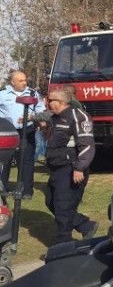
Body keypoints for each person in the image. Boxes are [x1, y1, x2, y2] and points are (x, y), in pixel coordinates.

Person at [44, 88, 99, 244]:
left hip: (71, 168)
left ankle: (63, 244)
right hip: (57, 168)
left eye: (51, 100)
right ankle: (86, 225)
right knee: (50, 201)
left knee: (63, 207)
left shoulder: (78, 117)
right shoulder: (55, 117)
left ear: (60, 103)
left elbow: (87, 146)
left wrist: (79, 168)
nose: (48, 103)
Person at [0, 70, 47, 199]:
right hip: (7, 132)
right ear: (12, 81)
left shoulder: (32, 93)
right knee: (5, 161)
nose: (24, 83)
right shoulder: (2, 94)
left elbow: (40, 110)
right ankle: (2, 188)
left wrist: (41, 123)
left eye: (25, 80)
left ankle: (26, 191)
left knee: (26, 161)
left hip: (27, 131)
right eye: (21, 81)